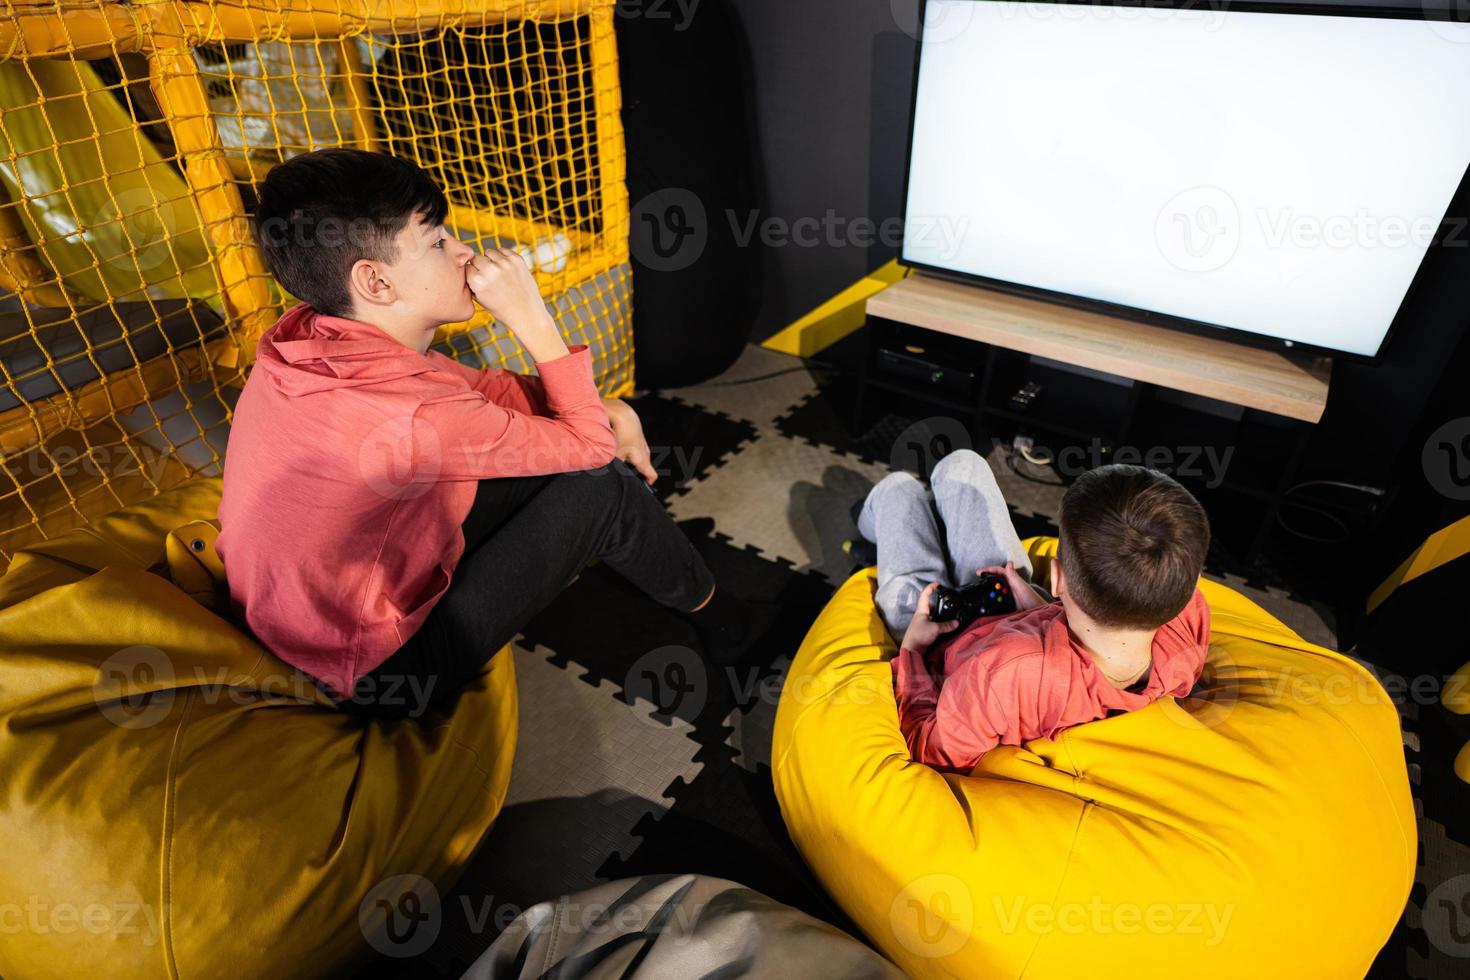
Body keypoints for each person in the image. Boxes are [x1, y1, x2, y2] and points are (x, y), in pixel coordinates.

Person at [216, 148, 760, 720]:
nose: (464, 252)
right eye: (436, 242)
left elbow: (498, 394)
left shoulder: (312, 337)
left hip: (305, 616)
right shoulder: (414, 412)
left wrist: (614, 407)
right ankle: (730, 626)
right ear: (374, 281)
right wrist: (531, 316)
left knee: (585, 451)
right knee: (604, 484)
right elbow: (589, 449)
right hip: (371, 672)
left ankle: (648, 541)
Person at [854, 449, 1212, 772]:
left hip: (936, 639)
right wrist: (1039, 605)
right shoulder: (1188, 620)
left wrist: (913, 650)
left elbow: (934, 749)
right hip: (1015, 610)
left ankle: (873, 526)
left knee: (898, 491)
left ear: (1058, 577)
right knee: (963, 467)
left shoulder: (1000, 676)